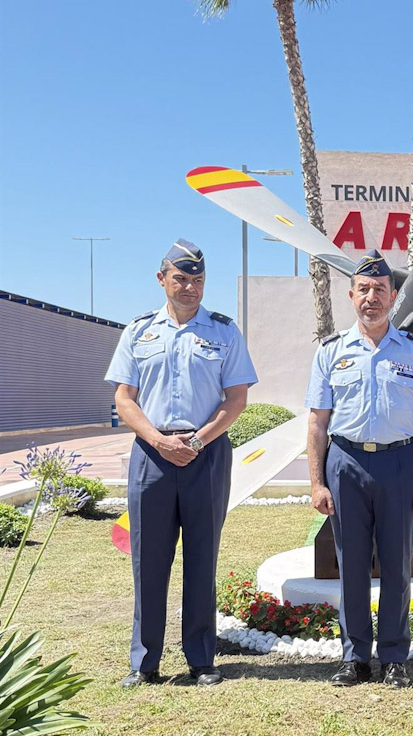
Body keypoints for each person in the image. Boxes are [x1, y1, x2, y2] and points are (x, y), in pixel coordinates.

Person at [106, 238, 257, 688]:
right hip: (151, 456)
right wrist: (158, 439)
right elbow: (123, 399)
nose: (190, 287)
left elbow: (236, 399)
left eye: (198, 279)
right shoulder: (138, 332)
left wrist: (197, 439)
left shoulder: (225, 332)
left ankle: (201, 659)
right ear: (162, 279)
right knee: (148, 560)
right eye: (181, 278)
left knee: (201, 557)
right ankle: (145, 662)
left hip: (206, 454)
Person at [306, 249, 413, 690]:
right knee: (351, 566)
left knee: (397, 564)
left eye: (380, 290)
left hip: (401, 464)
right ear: (351, 295)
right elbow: (317, 422)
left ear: (394, 297)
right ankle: (354, 658)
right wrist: (316, 482)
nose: (371, 297)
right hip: (345, 462)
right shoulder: (330, 352)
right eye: (363, 289)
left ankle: (394, 657)